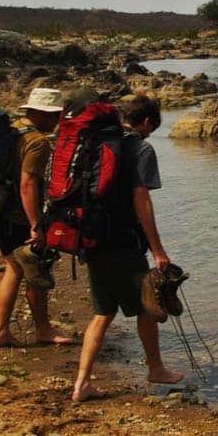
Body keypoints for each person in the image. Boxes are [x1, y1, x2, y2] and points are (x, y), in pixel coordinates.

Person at [73, 94, 183, 401]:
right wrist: (157, 250)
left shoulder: (94, 142)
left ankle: (81, 383)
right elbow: (141, 201)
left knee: (103, 313)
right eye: (152, 127)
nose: (150, 133)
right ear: (147, 122)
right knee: (146, 307)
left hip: (91, 238)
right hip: (121, 243)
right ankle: (156, 368)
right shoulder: (141, 148)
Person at [0, 87, 76, 347]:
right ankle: (43, 330)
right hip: (18, 215)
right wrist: (36, 225)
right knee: (34, 267)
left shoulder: (14, 130)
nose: (58, 120)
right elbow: (28, 184)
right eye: (54, 115)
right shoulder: (37, 142)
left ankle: (1, 331)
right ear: (40, 114)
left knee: (14, 268)